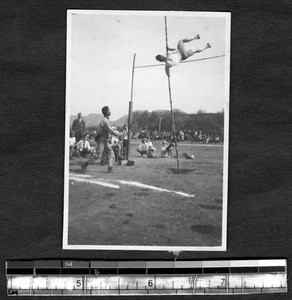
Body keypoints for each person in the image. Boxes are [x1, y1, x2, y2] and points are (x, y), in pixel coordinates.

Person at [81, 106, 124, 173]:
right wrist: (120, 134)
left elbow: (109, 131)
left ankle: (110, 168)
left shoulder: (106, 120)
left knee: (111, 153)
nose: (110, 111)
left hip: (104, 140)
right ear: (107, 112)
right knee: (98, 155)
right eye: (109, 110)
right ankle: (84, 165)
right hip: (101, 139)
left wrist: (119, 133)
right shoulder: (104, 121)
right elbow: (110, 130)